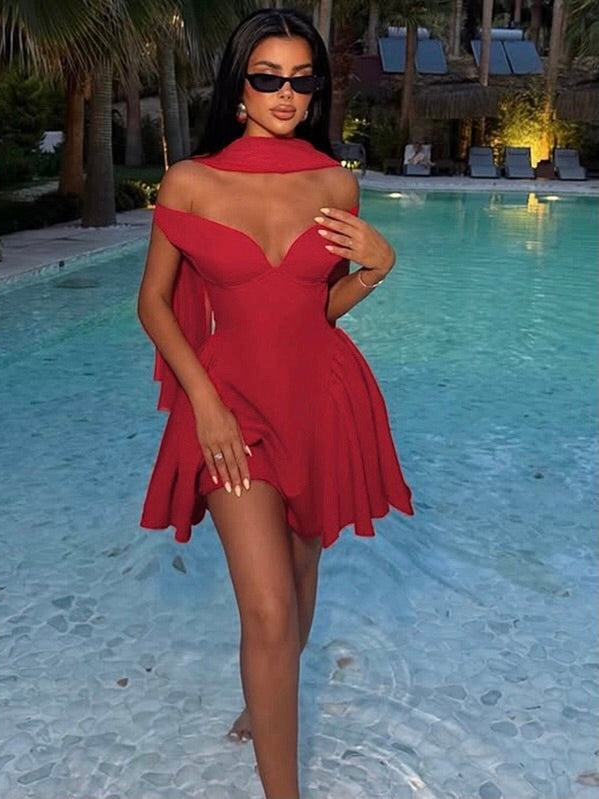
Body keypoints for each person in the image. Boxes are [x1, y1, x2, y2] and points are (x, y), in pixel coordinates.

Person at [136, 8, 413, 798]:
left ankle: (266, 699)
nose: (286, 94)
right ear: (238, 88)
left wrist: (376, 268)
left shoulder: (334, 183)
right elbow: (153, 303)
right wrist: (204, 402)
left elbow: (313, 310)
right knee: (265, 608)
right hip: (229, 406)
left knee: (296, 576)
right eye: (267, 78)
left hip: (321, 399)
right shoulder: (191, 182)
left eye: (301, 79)